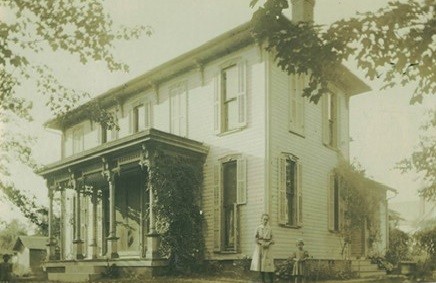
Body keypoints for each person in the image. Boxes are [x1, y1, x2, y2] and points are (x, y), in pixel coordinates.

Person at [250, 213, 274, 283]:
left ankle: (271, 280)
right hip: (260, 247)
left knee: (268, 264)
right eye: (264, 219)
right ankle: (263, 280)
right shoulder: (258, 228)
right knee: (261, 264)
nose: (265, 221)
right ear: (261, 220)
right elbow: (255, 239)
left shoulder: (270, 229)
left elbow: (273, 239)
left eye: (267, 220)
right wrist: (261, 243)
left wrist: (268, 243)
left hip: (268, 247)